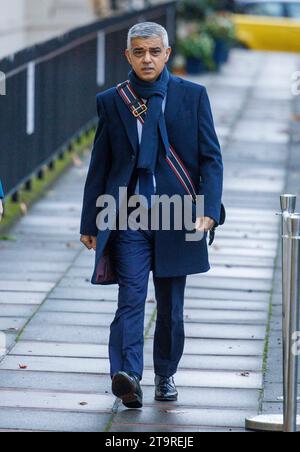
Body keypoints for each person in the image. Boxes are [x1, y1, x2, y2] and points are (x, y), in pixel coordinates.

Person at [80, 22, 224, 409]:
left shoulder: (193, 96)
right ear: (128, 56)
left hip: (179, 218)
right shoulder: (113, 100)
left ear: (167, 53)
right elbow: (101, 164)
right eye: (139, 52)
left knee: (172, 308)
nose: (147, 59)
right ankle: (127, 376)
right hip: (128, 217)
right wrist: (90, 222)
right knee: (130, 299)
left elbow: (211, 157)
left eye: (154, 52)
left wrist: (209, 210)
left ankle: (165, 374)